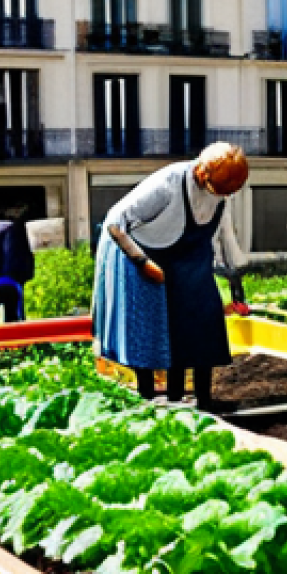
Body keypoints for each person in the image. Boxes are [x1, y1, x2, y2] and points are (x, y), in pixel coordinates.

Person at [93, 142, 249, 409]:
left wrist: (236, 283)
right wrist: (142, 263)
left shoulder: (221, 194)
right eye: (222, 190)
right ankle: (148, 398)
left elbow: (226, 239)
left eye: (230, 192)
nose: (225, 196)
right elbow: (115, 224)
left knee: (203, 316)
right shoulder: (168, 184)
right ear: (202, 173)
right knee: (150, 322)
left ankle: (202, 398)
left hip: (187, 255)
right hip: (137, 249)